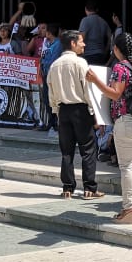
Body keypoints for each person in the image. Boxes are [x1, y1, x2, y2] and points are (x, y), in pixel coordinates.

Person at [85, 32, 132, 223]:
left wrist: (95, 80)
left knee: (126, 166)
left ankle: (128, 209)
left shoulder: (120, 67)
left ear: (116, 49)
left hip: (126, 121)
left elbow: (115, 93)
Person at [47, 29, 104, 200]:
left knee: (66, 151)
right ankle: (89, 188)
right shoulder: (81, 63)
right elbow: (88, 91)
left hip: (63, 110)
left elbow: (51, 93)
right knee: (88, 149)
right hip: (81, 110)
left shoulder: (54, 65)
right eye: (81, 41)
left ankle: (67, 188)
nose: (84, 44)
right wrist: (95, 113)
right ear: (72, 43)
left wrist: (57, 112)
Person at [78, 0, 112, 66]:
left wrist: (78, 54)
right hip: (101, 55)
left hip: (88, 56)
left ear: (85, 9)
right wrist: (105, 51)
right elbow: (111, 38)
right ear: (97, 10)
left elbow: (81, 38)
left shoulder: (85, 20)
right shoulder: (104, 22)